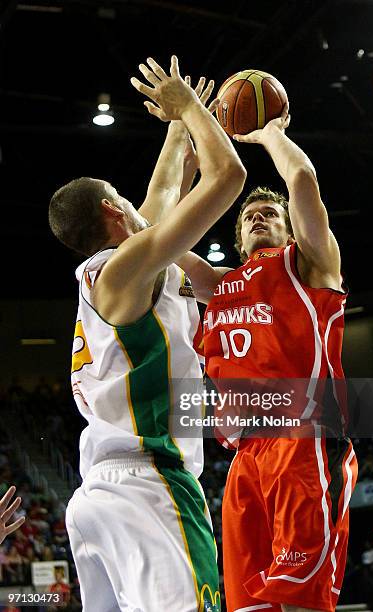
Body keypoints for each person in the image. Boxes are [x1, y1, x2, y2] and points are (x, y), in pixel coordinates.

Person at [48, 55, 246, 612]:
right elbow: (228, 178)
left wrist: (180, 125)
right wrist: (189, 110)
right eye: (128, 204)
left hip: (97, 501)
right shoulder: (126, 268)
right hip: (149, 486)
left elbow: (161, 195)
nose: (143, 208)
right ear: (115, 211)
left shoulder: (120, 274)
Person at [179, 112, 358, 611]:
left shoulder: (309, 265)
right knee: (248, 604)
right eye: (249, 216)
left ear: (289, 230)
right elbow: (159, 237)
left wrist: (268, 134)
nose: (259, 217)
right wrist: (184, 158)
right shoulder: (218, 287)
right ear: (237, 242)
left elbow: (301, 180)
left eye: (269, 214)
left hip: (303, 438)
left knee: (300, 596)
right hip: (245, 459)